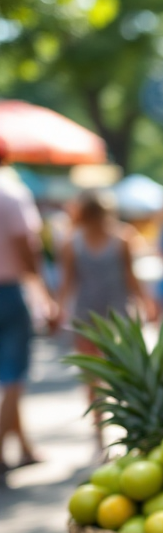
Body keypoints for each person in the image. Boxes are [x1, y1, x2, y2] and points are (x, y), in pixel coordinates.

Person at [57, 189, 157, 448]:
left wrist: (145, 302)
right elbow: (70, 280)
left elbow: (68, 283)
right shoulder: (80, 242)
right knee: (100, 374)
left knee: (106, 374)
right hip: (98, 318)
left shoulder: (119, 238)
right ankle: (103, 427)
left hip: (105, 316)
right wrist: (145, 302)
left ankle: (111, 428)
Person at [0, 142, 57, 473]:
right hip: (8, 291)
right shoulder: (11, 193)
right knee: (14, 377)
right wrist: (45, 296)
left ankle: (23, 446)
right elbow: (28, 247)